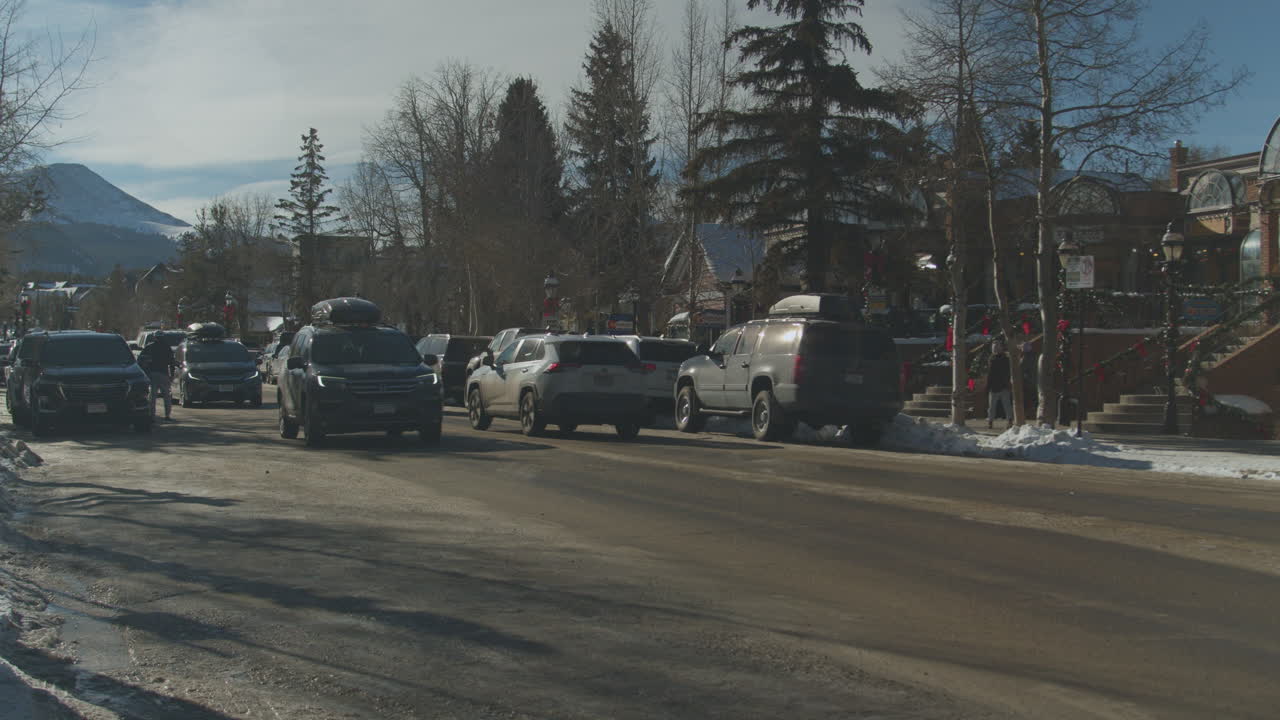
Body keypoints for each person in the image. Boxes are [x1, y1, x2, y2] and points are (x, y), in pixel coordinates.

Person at [138, 335, 176, 420]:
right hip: (163, 374)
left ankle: (152, 415)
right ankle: (167, 415)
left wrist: (144, 371)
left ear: (155, 338)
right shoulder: (166, 347)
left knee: (152, 396)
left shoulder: (149, 347)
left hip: (152, 374)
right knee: (166, 396)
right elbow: (172, 362)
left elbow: (140, 359)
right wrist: (172, 375)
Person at [987, 341, 1012, 429]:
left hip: (1002, 385)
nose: (995, 349)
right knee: (993, 406)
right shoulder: (993, 358)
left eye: (997, 347)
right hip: (997, 385)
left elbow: (991, 373)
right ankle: (990, 421)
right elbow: (990, 373)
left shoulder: (1004, 358)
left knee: (1004, 405)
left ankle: (1009, 421)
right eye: (994, 347)